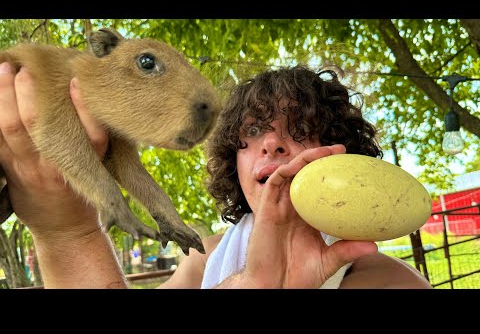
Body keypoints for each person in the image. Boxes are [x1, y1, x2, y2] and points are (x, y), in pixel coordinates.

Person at [0, 61, 432, 289]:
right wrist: (67, 224)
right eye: (252, 131)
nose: (272, 144)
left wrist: (68, 233)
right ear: (233, 160)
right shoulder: (205, 260)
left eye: (300, 129)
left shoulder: (383, 279)